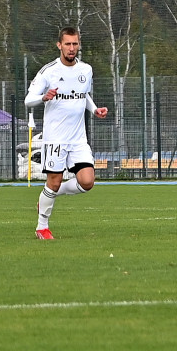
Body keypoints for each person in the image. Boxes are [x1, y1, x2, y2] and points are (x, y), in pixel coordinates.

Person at [25, 27, 109, 239]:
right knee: (53, 181)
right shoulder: (49, 71)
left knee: (87, 182)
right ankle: (42, 227)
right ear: (59, 45)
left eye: (75, 44)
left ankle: (51, 194)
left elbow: (83, 95)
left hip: (78, 138)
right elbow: (28, 100)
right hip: (55, 138)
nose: (71, 48)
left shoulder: (86, 70)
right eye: (67, 44)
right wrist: (43, 97)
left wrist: (94, 109)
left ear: (79, 45)